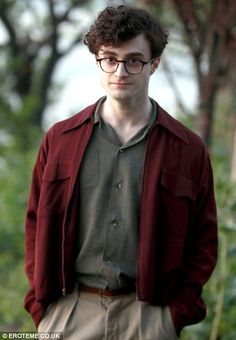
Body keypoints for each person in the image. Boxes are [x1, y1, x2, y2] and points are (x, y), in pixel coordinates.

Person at [24, 5, 218, 340]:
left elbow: (204, 241)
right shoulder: (59, 140)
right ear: (97, 60)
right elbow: (34, 225)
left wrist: (172, 317)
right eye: (109, 59)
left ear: (154, 63)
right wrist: (43, 313)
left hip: (148, 317)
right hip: (70, 314)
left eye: (133, 60)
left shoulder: (188, 150)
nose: (120, 71)